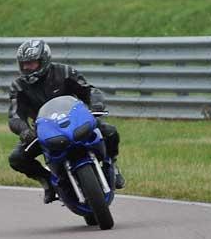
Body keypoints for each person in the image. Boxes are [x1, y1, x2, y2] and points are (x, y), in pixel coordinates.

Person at [7, 39, 124, 204]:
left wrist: (96, 104)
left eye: (31, 63)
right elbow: (14, 115)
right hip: (45, 131)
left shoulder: (65, 72)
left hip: (76, 121)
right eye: (24, 64)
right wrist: (25, 131)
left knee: (110, 132)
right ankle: (47, 181)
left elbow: (89, 90)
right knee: (17, 158)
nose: (27, 67)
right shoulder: (18, 86)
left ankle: (112, 165)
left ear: (44, 60)